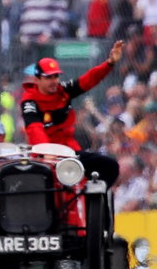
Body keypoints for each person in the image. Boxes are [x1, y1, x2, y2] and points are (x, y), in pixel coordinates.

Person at [19, 45, 125, 184]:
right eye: (49, 77)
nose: (54, 81)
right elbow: (34, 129)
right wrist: (46, 152)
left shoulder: (63, 90)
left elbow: (88, 80)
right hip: (45, 157)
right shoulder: (30, 100)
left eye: (56, 76)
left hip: (69, 153)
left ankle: (95, 196)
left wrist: (109, 63)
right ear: (37, 79)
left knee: (110, 166)